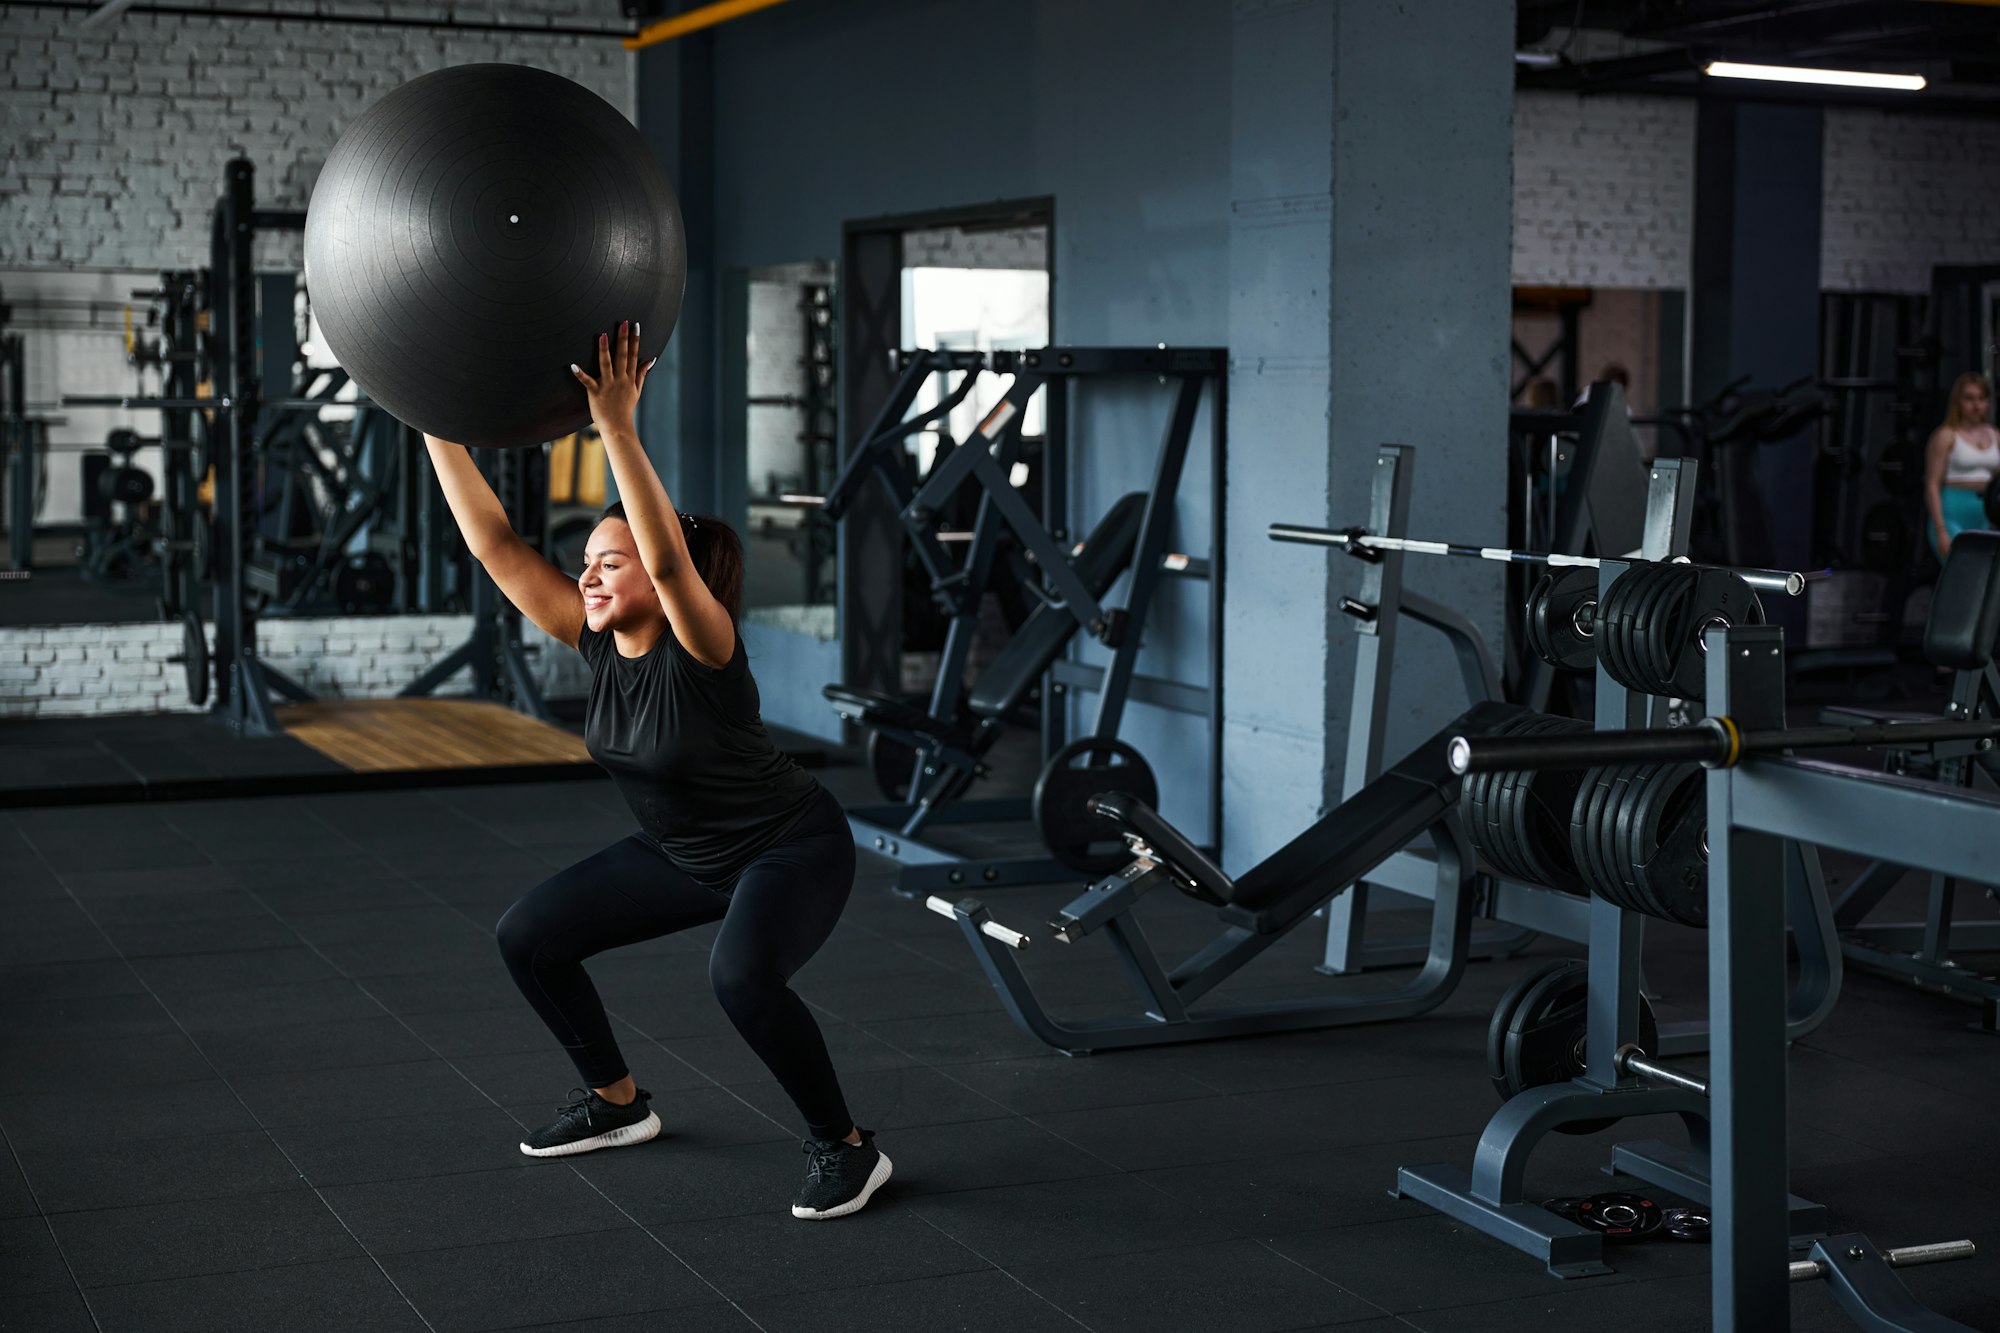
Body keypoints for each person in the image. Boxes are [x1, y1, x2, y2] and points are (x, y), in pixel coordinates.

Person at [422, 321, 890, 1221]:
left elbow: (670, 558)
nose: (588, 576)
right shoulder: (593, 640)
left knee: (741, 978)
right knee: (528, 934)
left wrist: (617, 426)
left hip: (787, 847)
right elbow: (495, 544)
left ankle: (848, 1148)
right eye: (587, 562)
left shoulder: (707, 649)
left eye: (610, 561)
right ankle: (617, 1102)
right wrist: (431, 416)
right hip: (680, 851)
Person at [1923, 371, 1998, 561]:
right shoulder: (1945, 436)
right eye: (1969, 399)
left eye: (1981, 399)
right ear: (1958, 401)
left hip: (1985, 513)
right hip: (1952, 511)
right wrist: (1941, 529)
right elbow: (1932, 484)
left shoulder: (1995, 435)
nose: (1976, 405)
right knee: (1961, 570)